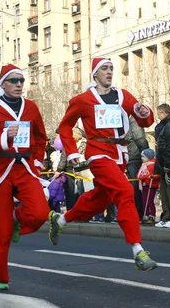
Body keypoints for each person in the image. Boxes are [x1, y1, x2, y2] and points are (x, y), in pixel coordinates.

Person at [49, 57, 158, 271]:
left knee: (98, 201)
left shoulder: (122, 95)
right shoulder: (83, 99)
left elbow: (145, 120)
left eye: (111, 68)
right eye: (104, 69)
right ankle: (138, 250)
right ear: (95, 74)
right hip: (98, 153)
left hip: (120, 153)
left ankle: (60, 220)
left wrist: (145, 113)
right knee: (125, 192)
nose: (109, 72)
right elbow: (65, 127)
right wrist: (71, 153)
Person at [0, 63, 50, 290]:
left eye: (21, 81)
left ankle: (18, 218)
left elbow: (40, 137)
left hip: (25, 167)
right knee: (0, 229)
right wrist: (3, 136)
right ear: (3, 84)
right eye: (14, 81)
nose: (19, 85)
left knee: (40, 212)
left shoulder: (31, 107)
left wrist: (37, 161)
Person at [125, 117, 149, 222]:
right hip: (136, 157)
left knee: (134, 188)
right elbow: (140, 140)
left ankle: (137, 212)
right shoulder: (134, 122)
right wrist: (147, 153)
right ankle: (140, 213)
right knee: (138, 188)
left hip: (129, 158)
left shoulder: (125, 122)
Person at [137, 148, 159, 224]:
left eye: (143, 157)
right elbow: (139, 175)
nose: (142, 158)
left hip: (151, 186)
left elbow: (155, 175)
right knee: (144, 200)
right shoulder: (143, 165)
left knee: (150, 201)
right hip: (144, 186)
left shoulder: (152, 165)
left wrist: (147, 177)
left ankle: (151, 215)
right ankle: (146, 214)